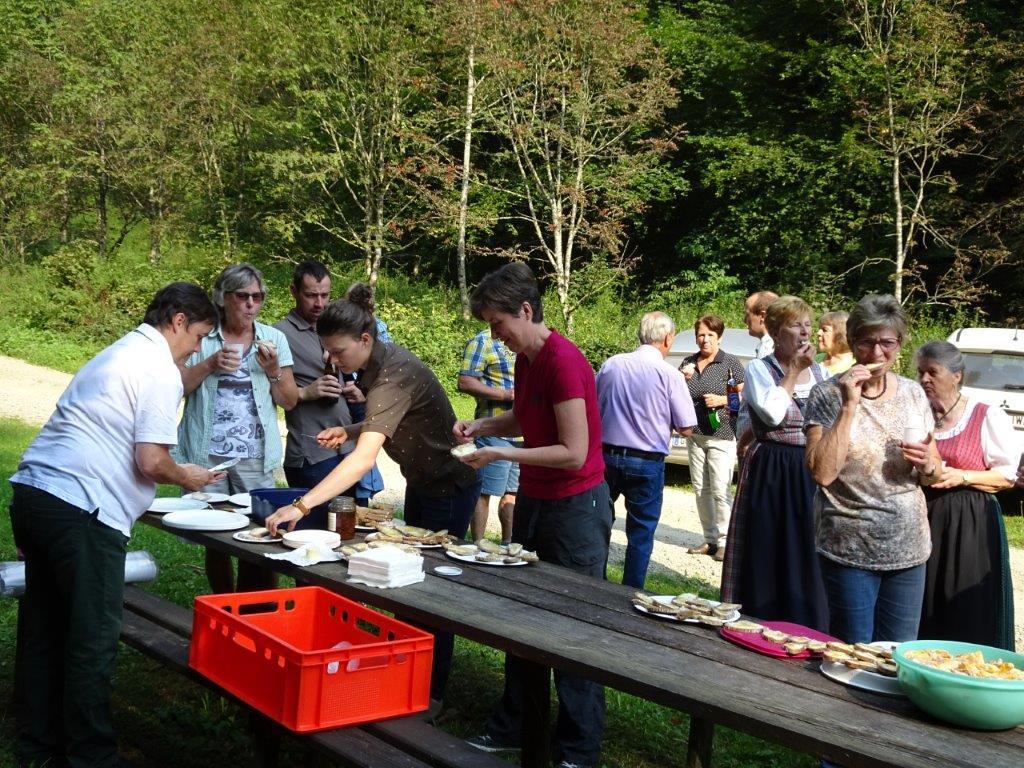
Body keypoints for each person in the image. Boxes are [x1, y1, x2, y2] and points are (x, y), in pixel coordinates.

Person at [8, 283, 223, 768]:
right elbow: (151, 460)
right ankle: (92, 756)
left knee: (46, 625)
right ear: (178, 321)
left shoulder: (116, 354)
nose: (196, 350)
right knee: (92, 637)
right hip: (83, 510)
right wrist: (186, 476)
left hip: (35, 494)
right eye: (198, 336)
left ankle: (38, 744)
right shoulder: (158, 370)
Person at [264, 294, 480, 702]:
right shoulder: (375, 363)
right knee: (410, 585)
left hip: (449, 488)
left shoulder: (394, 374)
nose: (332, 360)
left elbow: (363, 460)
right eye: (327, 352)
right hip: (423, 484)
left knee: (428, 595)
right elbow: (390, 418)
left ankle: (427, 695)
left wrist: (301, 504)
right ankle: (406, 676)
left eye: (338, 352)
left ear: (365, 339)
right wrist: (351, 429)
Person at [453, 262, 610, 768]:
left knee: (574, 625)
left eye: (498, 323)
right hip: (539, 501)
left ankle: (578, 748)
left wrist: (502, 453)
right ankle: (515, 726)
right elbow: (524, 417)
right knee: (524, 616)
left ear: (525, 310)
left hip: (576, 508)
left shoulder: (564, 361)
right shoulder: (526, 358)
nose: (494, 333)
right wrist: (481, 428)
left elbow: (574, 451)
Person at [804, 294, 941, 644]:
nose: (877, 353)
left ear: (900, 344)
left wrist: (928, 465)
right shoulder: (827, 394)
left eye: (887, 343)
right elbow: (821, 474)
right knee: (853, 653)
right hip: (849, 547)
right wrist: (849, 406)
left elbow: (933, 472)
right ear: (852, 342)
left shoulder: (913, 393)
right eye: (867, 341)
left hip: (908, 547)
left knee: (899, 654)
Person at [175, 263, 298, 593]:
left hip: (254, 455)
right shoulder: (202, 336)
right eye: (242, 296)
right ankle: (223, 602)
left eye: (257, 297)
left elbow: (289, 401)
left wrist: (273, 370)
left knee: (261, 531)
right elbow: (178, 387)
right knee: (213, 535)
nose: (251, 304)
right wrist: (210, 364)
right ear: (222, 297)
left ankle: (254, 606)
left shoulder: (274, 339)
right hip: (206, 453)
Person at [720, 296, 829, 630]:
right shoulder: (759, 369)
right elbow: (772, 413)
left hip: (809, 467)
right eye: (796, 325)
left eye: (808, 324)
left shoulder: (822, 373)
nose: (805, 332)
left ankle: (807, 623)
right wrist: (793, 371)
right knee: (768, 546)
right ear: (776, 333)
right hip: (772, 469)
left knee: (807, 547)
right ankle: (759, 618)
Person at [915, 341, 1020, 650]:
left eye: (932, 372)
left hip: (970, 523)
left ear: (957, 375)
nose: (924, 379)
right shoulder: (920, 414)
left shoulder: (985, 415)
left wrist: (962, 476)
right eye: (921, 372)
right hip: (925, 517)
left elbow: (1007, 476)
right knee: (925, 599)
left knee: (965, 606)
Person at [596, 311, 696, 589]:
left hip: (606, 455)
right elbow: (687, 428)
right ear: (667, 338)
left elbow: (593, 405)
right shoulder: (670, 375)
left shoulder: (612, 364)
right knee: (641, 531)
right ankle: (630, 591)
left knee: (599, 523)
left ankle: (594, 583)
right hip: (646, 460)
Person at [275, 260, 363, 510]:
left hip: (347, 448)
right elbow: (270, 395)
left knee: (352, 524)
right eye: (311, 295)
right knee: (315, 526)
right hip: (312, 454)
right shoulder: (279, 335)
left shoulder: (336, 328)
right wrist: (307, 392)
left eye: (325, 295)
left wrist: (357, 390)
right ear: (294, 291)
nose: (319, 303)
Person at [680, 315, 745, 562]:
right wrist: (682, 378)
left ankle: (725, 542)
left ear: (720, 337)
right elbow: (675, 393)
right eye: (701, 334)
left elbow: (745, 396)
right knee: (701, 490)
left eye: (710, 335)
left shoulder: (730, 363)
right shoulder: (688, 362)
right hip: (695, 435)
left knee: (720, 489)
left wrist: (722, 400)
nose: (705, 339)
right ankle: (709, 540)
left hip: (722, 435)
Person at [457, 328, 519, 544]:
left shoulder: (523, 340)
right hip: (494, 430)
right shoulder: (483, 341)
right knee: (484, 492)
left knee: (512, 494)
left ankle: (507, 546)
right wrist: (505, 394)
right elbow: (465, 382)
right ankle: (477, 546)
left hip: (522, 435)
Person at [342, 281, 389, 503]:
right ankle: (365, 489)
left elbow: (382, 366)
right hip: (365, 394)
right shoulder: (380, 326)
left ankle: (364, 489)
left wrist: (363, 391)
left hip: (362, 394)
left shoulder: (354, 328)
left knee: (362, 446)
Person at [734, 290, 778, 460]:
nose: (744, 319)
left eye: (747, 313)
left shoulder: (769, 349)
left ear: (762, 316)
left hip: (757, 442)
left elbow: (764, 406)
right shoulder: (766, 347)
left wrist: (745, 440)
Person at [816, 310, 854, 375]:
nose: (818, 333)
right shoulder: (816, 359)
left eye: (825, 330)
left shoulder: (852, 368)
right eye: (819, 329)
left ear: (842, 334)